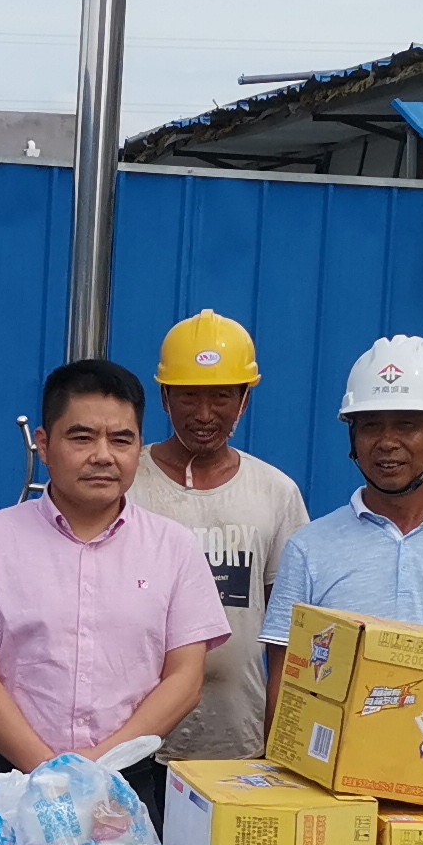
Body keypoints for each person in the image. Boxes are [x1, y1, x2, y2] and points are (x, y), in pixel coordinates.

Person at [0, 359, 229, 800]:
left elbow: (185, 680)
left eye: (121, 439)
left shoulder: (174, 547)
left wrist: (98, 767)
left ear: (139, 448)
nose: (103, 456)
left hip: (125, 785)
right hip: (6, 784)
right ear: (44, 444)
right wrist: (52, 773)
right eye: (82, 437)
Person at [263, 337, 423, 688]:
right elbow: (285, 690)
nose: (387, 442)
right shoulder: (308, 548)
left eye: (406, 425)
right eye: (371, 425)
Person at [127, 309, 310, 765]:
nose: (205, 414)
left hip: (238, 742)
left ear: (245, 400)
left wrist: (281, 737)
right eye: (189, 396)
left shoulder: (276, 492)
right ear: (165, 397)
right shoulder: (127, 483)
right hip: (133, 743)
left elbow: (291, 633)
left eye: (222, 397)